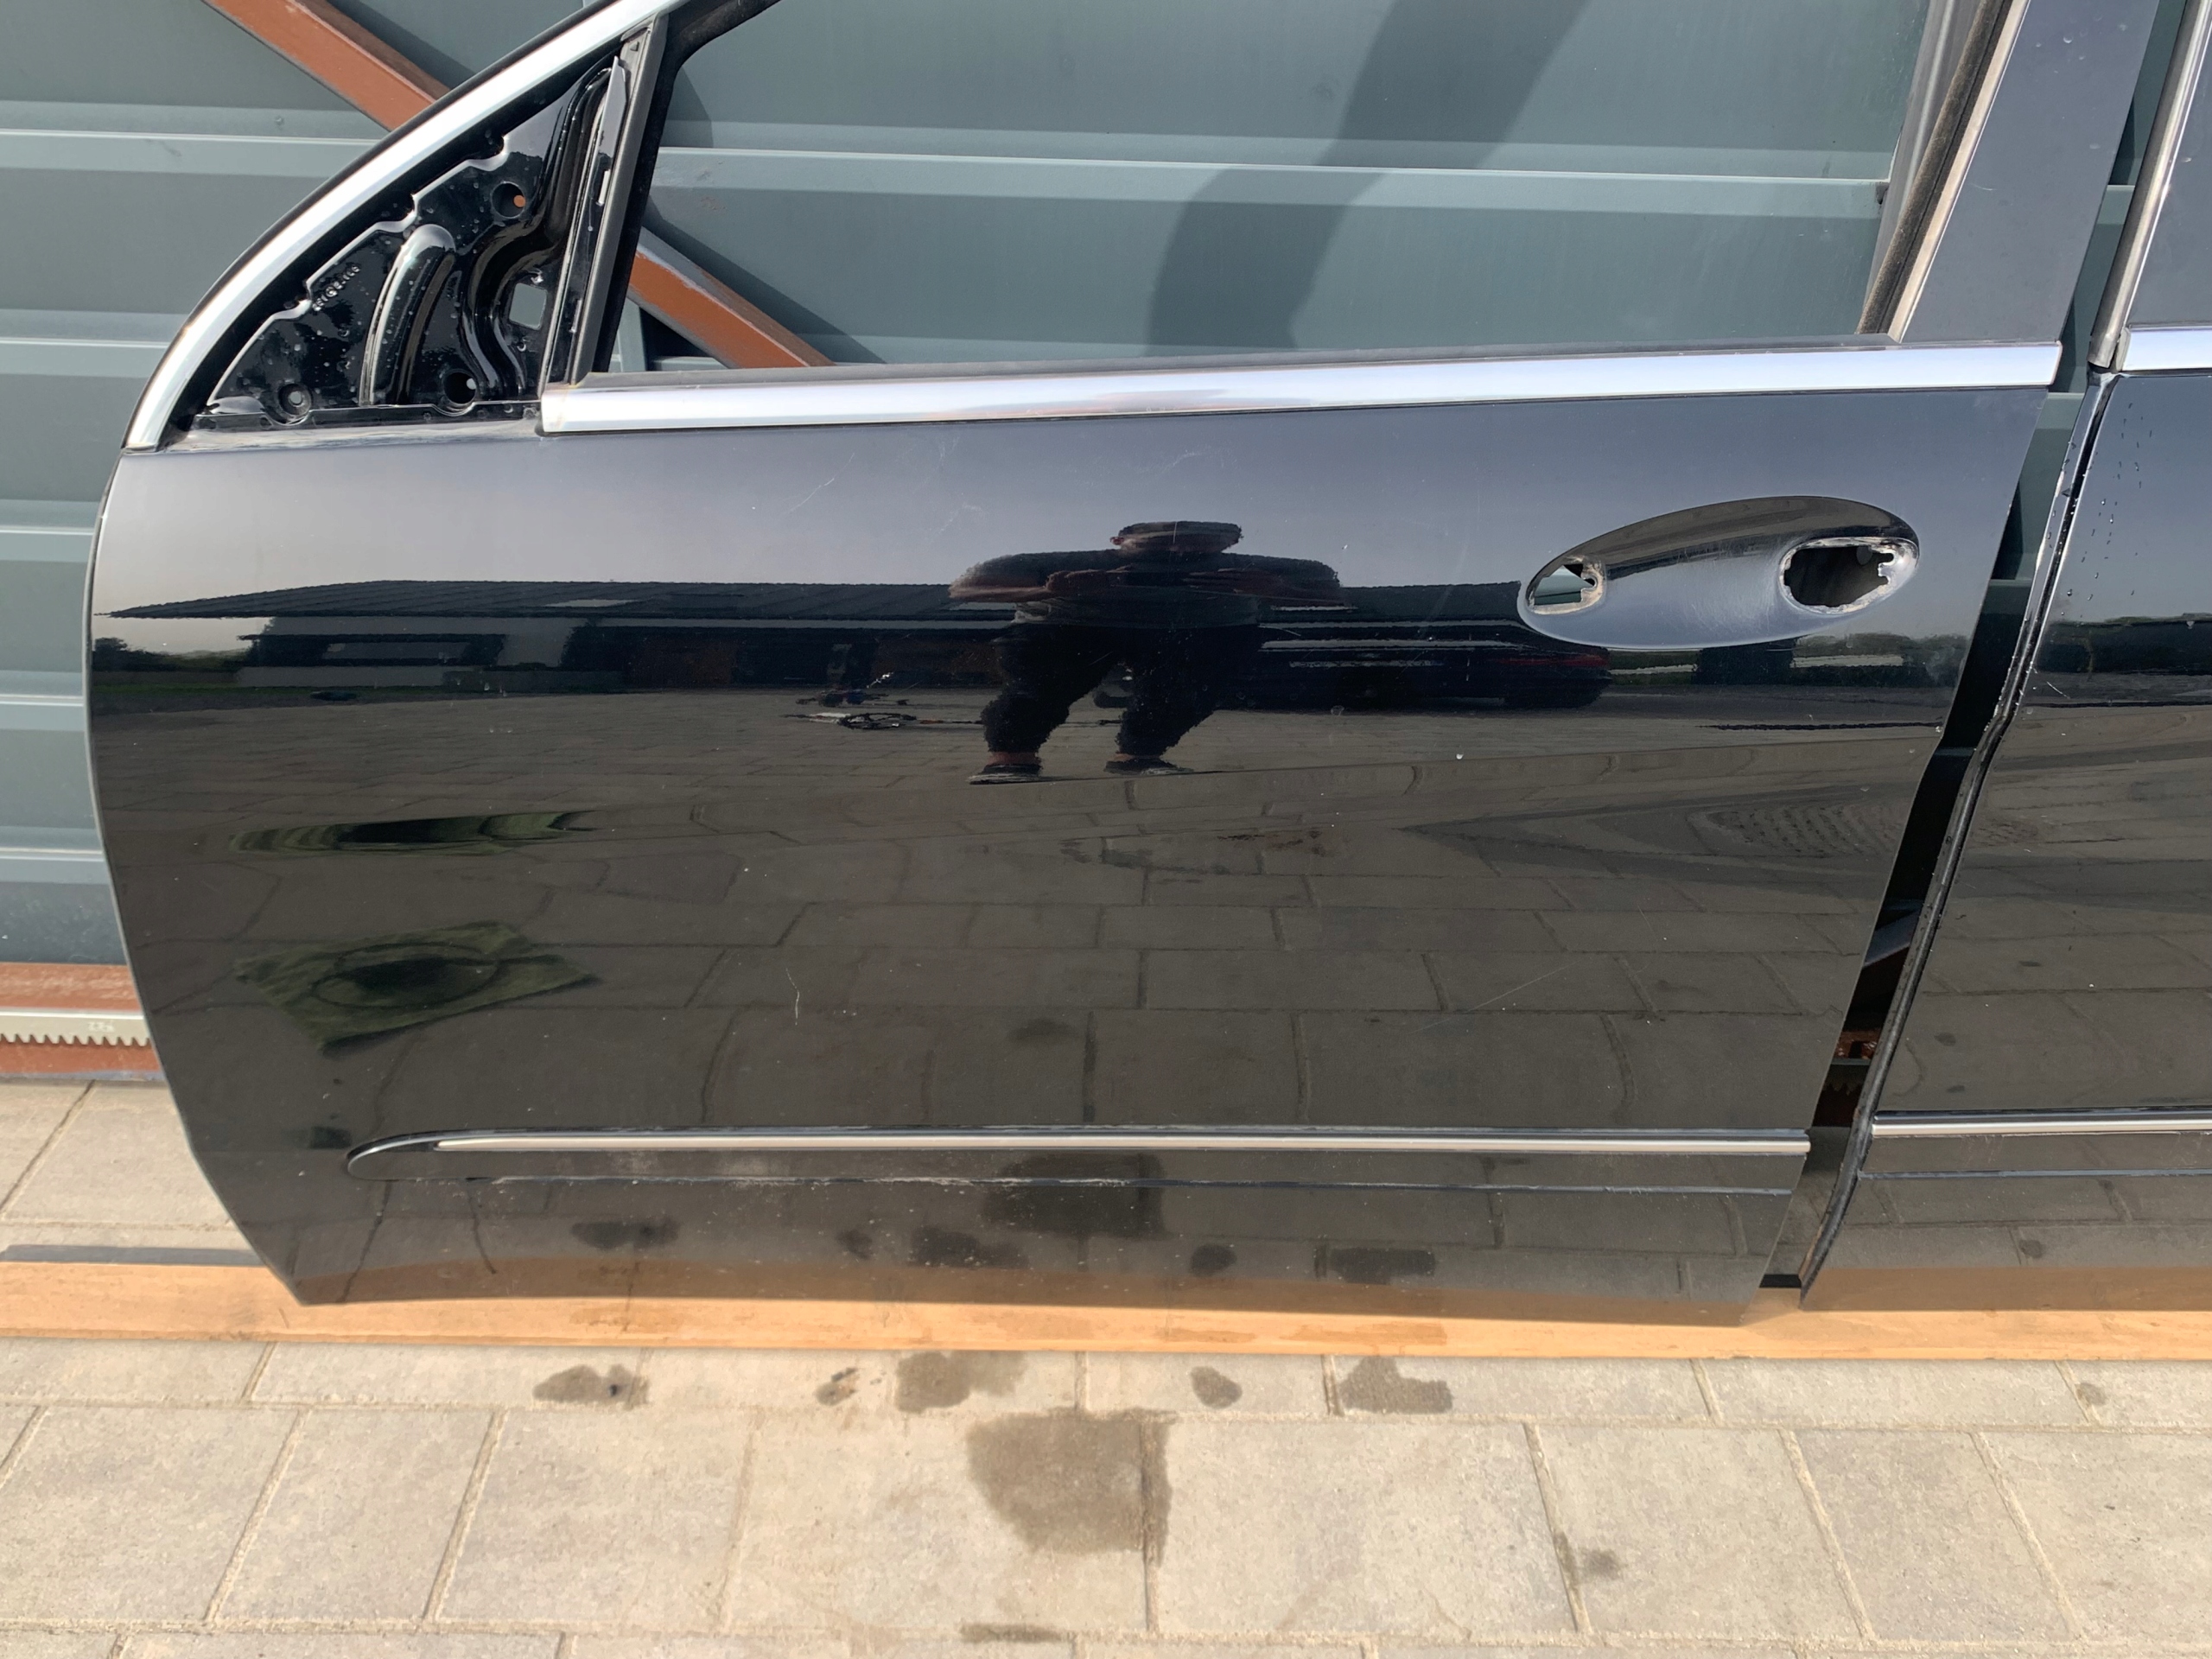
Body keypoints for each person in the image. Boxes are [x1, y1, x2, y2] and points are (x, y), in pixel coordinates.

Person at [949, 520, 1344, 783]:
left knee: (1186, 689)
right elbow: (963, 589)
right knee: (1041, 686)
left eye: (1198, 544)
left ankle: (1140, 755)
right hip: (1070, 626)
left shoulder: (1270, 567)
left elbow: (1334, 597)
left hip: (1200, 629)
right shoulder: (1055, 562)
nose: (1178, 549)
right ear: (1118, 542)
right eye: (1159, 542)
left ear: (1231, 544)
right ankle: (1010, 757)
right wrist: (1046, 590)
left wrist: (1277, 589)